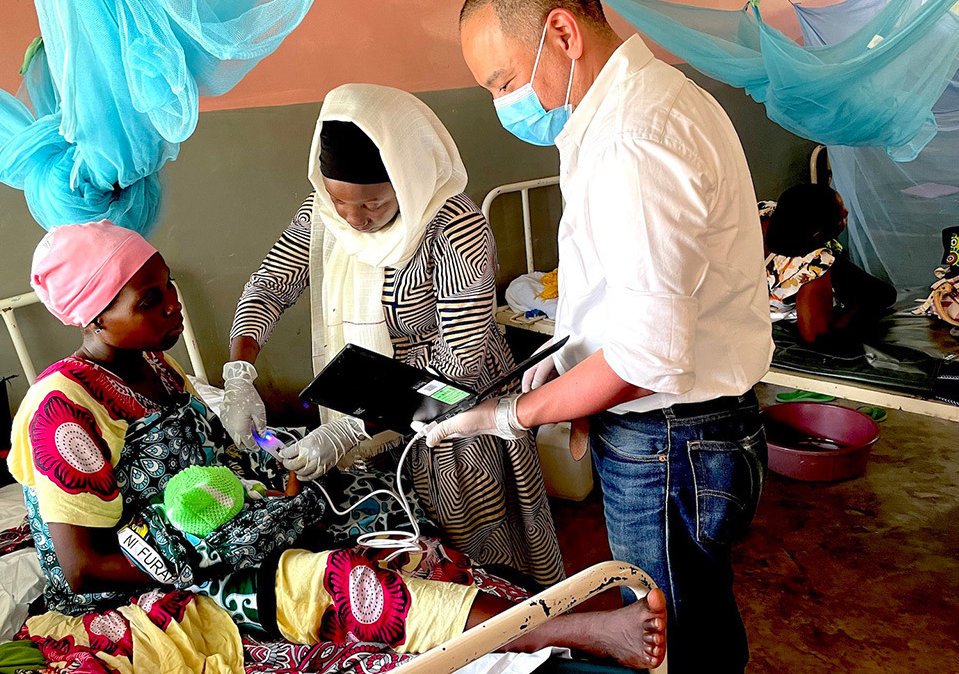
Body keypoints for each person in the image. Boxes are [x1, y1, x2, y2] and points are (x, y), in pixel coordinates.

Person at [8, 220, 667, 672]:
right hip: (141, 583)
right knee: (326, 580)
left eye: (169, 288)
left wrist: (270, 458)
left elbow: (214, 463)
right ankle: (570, 631)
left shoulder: (153, 364)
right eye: (150, 301)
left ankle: (507, 610)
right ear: (93, 315)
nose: (173, 308)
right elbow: (81, 568)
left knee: (371, 507)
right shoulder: (60, 411)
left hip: (215, 529)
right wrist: (214, 558)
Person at [420, 0, 775, 672]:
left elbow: (646, 356)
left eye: (504, 82)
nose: (504, 103)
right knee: (697, 613)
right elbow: (631, 291)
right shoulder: (639, 106)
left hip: (669, 438)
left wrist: (513, 416)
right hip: (680, 432)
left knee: (672, 636)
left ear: (562, 33)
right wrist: (567, 353)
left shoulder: (632, 137)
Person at [223, 83, 564, 586]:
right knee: (400, 558)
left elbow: (459, 363)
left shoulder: (453, 227)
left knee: (470, 556)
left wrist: (350, 429)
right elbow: (270, 285)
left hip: (452, 416)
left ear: (407, 179)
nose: (352, 218)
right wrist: (239, 372)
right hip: (367, 400)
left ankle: (517, 621)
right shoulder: (323, 215)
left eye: (373, 203)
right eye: (338, 200)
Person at [761, 183, 897, 347]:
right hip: (804, 268)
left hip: (790, 260)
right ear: (818, 235)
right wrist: (856, 312)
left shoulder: (763, 213)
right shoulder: (814, 265)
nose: (847, 213)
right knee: (882, 295)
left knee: (878, 292)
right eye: (842, 217)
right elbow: (815, 336)